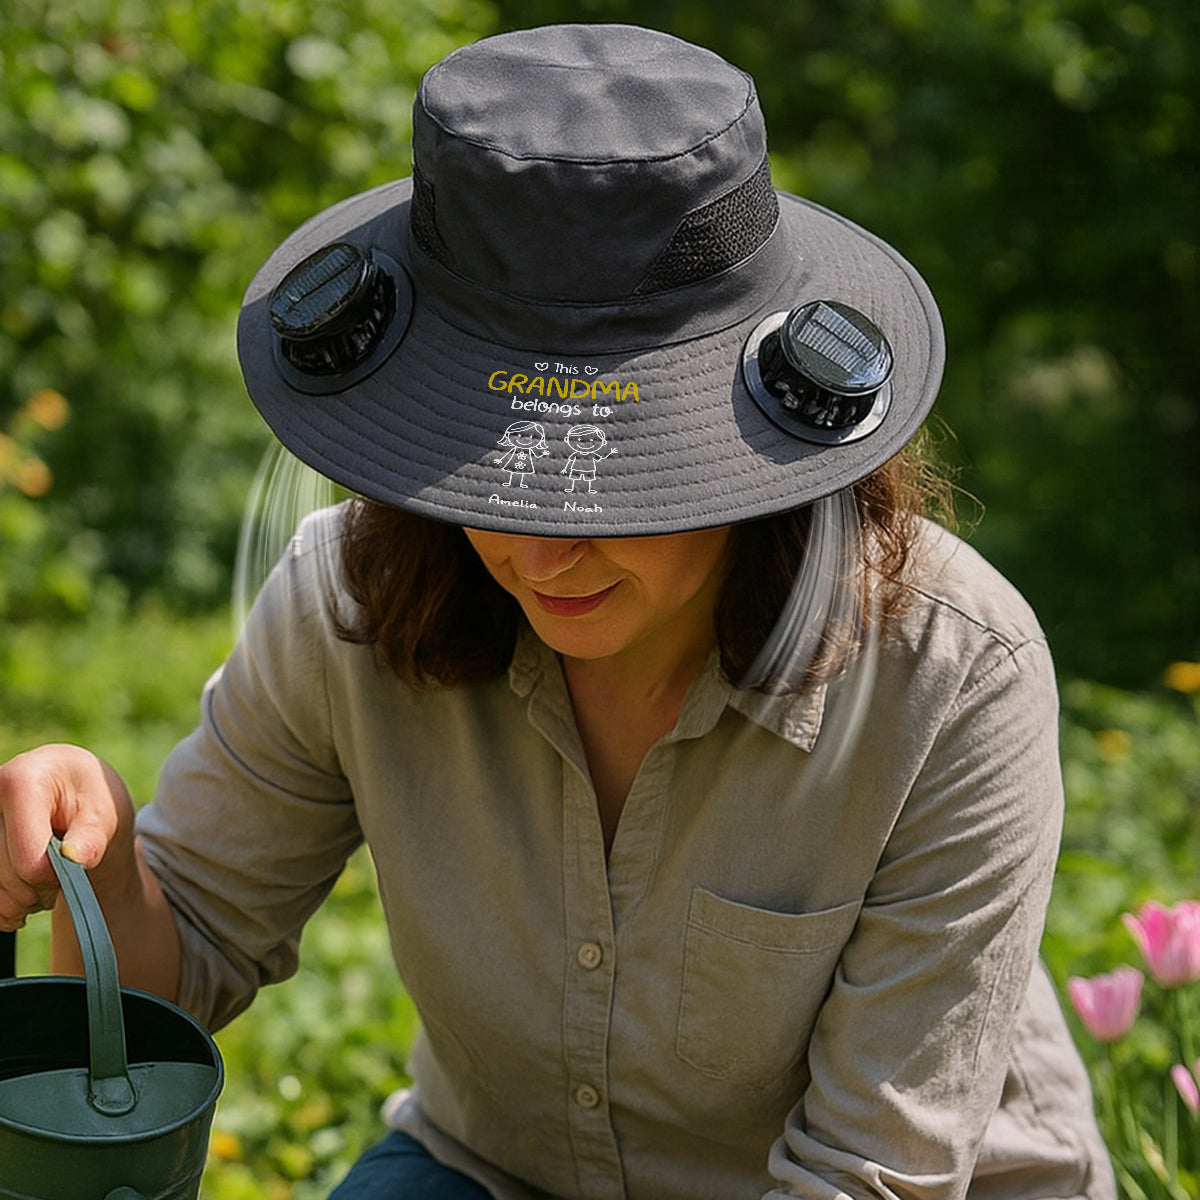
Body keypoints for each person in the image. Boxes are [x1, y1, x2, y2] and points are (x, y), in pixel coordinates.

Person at [0, 23, 1115, 1200]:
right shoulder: (352, 603)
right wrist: (102, 861)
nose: (537, 551)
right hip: (500, 1167)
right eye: (485, 472)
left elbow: (865, 1175)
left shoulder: (952, 673)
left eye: (620, 485)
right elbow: (176, 975)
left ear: (754, 453)